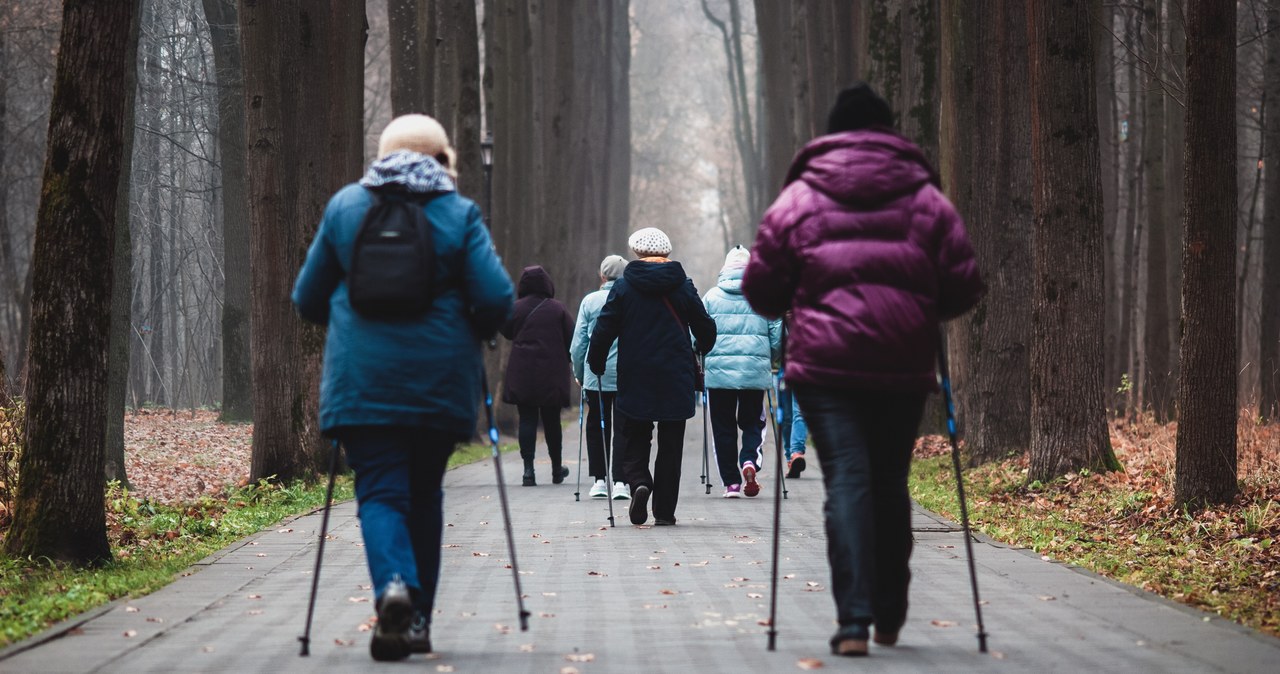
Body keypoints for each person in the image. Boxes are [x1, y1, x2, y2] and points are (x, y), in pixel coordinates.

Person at [742, 83, 984, 656]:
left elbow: (760, 286)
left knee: (847, 480)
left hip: (824, 368)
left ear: (830, 134)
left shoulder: (800, 198)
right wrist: (923, 311)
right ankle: (891, 610)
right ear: (890, 131)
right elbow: (964, 283)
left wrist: (791, 301)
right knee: (888, 480)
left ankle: (852, 619)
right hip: (902, 365)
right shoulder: (925, 198)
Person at [292, 113, 514, 661]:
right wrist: (477, 329)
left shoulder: (346, 207)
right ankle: (417, 622)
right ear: (443, 160)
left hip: (361, 382)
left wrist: (348, 324)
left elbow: (306, 297)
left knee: (381, 492)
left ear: (383, 154)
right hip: (438, 384)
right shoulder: (458, 213)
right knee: (424, 496)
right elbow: (495, 298)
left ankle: (392, 583)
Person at [588, 228, 716, 526]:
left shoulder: (623, 288)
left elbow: (604, 328)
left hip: (635, 374)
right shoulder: (683, 287)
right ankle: (664, 511)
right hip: (676, 375)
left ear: (636, 253)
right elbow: (706, 329)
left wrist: (596, 362)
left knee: (634, 436)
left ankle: (640, 483)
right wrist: (699, 348)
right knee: (671, 445)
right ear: (667, 253)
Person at [701, 245, 782, 498]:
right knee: (753, 422)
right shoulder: (763, 295)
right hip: (753, 373)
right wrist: (773, 358)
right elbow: (778, 335)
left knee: (722, 427)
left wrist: (701, 355)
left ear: (726, 269)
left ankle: (731, 484)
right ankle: (749, 461)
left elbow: (698, 333)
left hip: (719, 376)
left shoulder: (711, 297)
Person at [501, 265, 575, 487]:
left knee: (527, 419)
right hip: (551, 373)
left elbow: (506, 331)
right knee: (552, 421)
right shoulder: (558, 309)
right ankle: (556, 470)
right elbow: (571, 339)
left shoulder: (516, 308)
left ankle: (528, 471)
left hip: (523, 372)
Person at [569, 254, 631, 500]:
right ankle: (621, 481)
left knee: (597, 427)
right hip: (627, 375)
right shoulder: (631, 299)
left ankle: (599, 480)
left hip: (596, 377)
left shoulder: (590, 301)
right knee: (624, 428)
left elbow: (578, 344)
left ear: (602, 276)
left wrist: (579, 373)